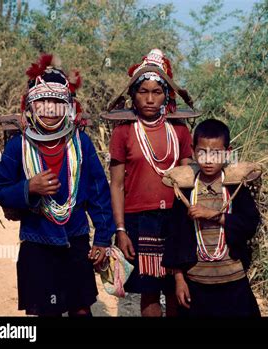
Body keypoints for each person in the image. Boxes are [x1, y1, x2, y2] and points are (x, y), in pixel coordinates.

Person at [0, 54, 115, 316]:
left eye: (57, 102)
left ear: (69, 107)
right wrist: (29, 188)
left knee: (81, 309)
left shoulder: (80, 144)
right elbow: (1, 190)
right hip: (36, 242)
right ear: (31, 107)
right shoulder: (19, 145)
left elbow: (99, 192)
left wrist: (103, 239)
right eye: (42, 102)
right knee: (43, 311)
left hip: (77, 239)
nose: (50, 109)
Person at [109, 49, 193, 317]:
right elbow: (117, 185)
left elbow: (188, 179)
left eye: (156, 92)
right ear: (132, 95)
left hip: (175, 216)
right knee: (149, 288)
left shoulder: (179, 131)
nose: (149, 98)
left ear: (166, 96)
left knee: (175, 284)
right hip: (138, 219)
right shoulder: (123, 131)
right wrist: (120, 230)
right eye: (142, 91)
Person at [162, 119, 261, 317]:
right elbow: (175, 236)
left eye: (216, 153)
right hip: (196, 281)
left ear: (228, 151)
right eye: (202, 152)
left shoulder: (236, 187)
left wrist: (214, 215)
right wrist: (180, 280)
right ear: (192, 150)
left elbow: (250, 225)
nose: (208, 159)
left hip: (233, 280)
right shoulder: (185, 190)